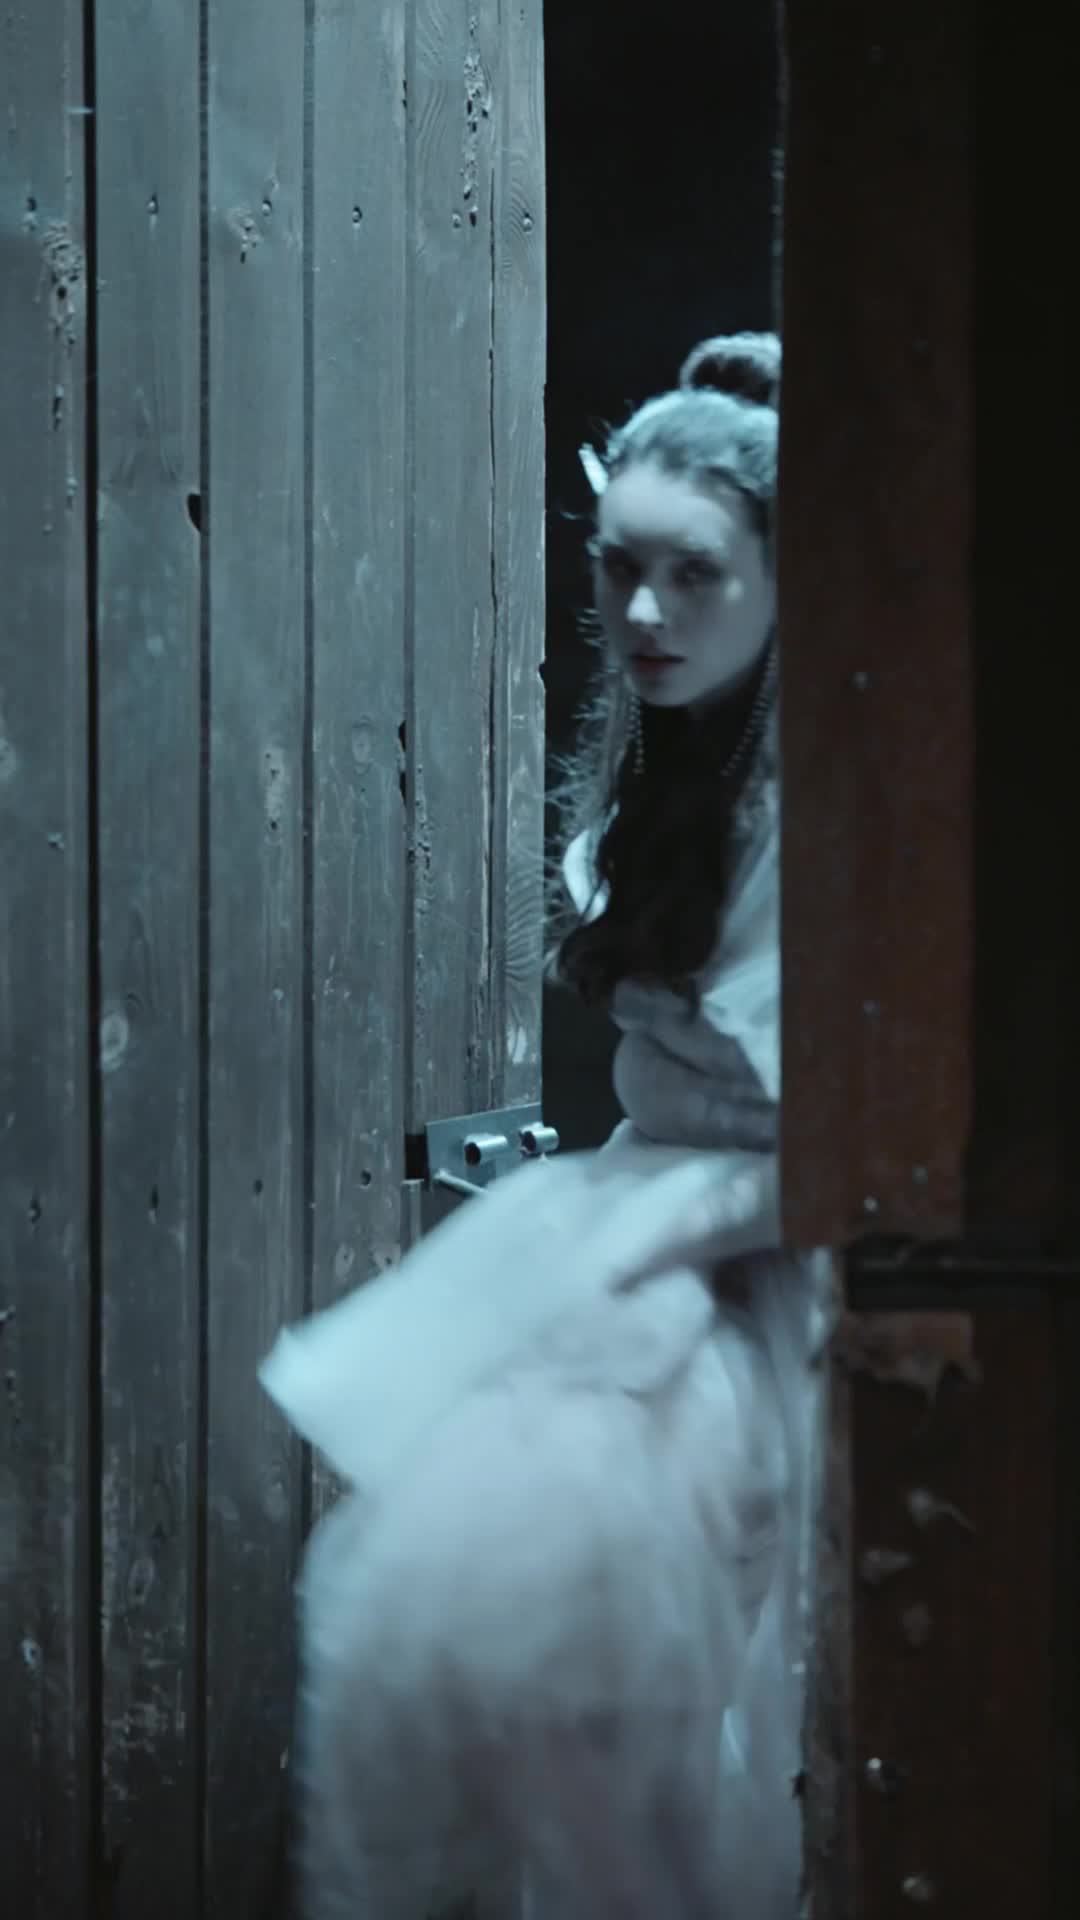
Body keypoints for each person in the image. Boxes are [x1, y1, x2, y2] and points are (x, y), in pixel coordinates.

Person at [260, 332, 829, 1919]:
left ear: (785, 579)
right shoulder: (661, 772)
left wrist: (641, 1252)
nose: (644, 613)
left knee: (722, 1705)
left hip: (775, 1259)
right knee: (515, 1634)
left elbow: (844, 1133)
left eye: (694, 575)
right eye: (619, 568)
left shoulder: (828, 821)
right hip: (646, 1229)